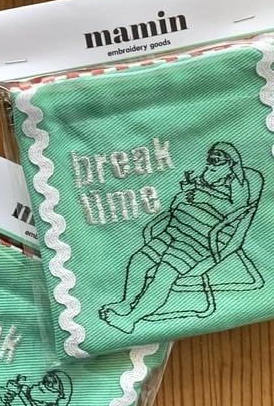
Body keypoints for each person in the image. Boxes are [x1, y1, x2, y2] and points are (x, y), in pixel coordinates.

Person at [99, 141, 257, 334]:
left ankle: (130, 320)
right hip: (174, 230)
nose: (211, 164)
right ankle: (126, 303)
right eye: (210, 159)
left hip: (198, 240)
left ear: (231, 164)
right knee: (138, 260)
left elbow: (236, 209)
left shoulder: (237, 183)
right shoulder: (205, 178)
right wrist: (186, 194)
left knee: (164, 275)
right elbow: (184, 198)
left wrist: (205, 197)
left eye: (217, 160)